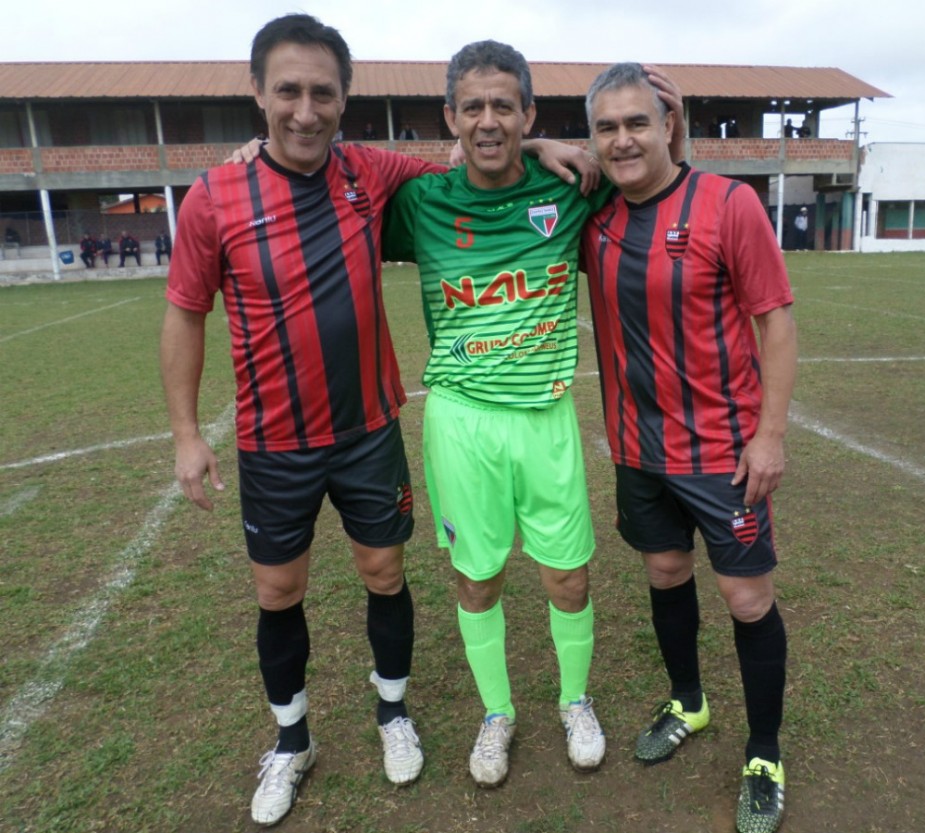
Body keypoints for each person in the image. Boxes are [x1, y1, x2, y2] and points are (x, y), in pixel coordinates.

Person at [160, 15, 448, 826]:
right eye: (287, 90)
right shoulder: (214, 196)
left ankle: (392, 712)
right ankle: (293, 741)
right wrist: (186, 434)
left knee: (384, 573)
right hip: (274, 443)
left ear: (345, 98)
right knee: (278, 588)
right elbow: (184, 313)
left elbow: (474, 162)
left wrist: (543, 144)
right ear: (257, 92)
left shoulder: (369, 171)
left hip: (368, 431)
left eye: (323, 92)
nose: (305, 110)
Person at [381, 39, 623, 791]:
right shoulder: (421, 202)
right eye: (473, 108)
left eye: (504, 107)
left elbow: (642, 164)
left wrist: (556, 148)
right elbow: (334, 182)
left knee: (568, 577)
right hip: (461, 422)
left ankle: (574, 700)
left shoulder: (573, 187)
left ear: (529, 113)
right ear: (449, 117)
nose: (488, 121)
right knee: (477, 580)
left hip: (545, 417)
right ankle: (497, 712)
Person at [581, 63, 797, 833]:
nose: (622, 139)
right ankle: (689, 701)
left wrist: (769, 435)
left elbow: (776, 321)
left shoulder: (728, 204)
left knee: (747, 598)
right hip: (638, 449)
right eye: (606, 127)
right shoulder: (594, 217)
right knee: (666, 572)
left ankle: (764, 752)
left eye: (637, 121)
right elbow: (514, 165)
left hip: (723, 451)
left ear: (668, 124)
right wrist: (539, 143)